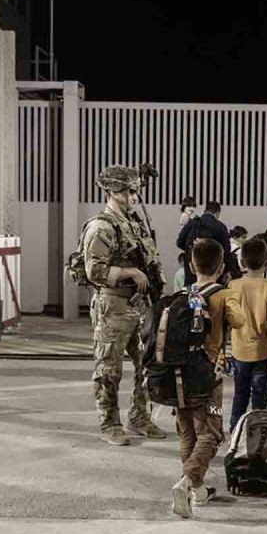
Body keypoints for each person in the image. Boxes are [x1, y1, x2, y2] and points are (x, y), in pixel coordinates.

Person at [81, 165, 167, 446]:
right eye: (128, 191)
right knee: (109, 368)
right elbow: (94, 271)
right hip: (113, 305)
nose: (133, 196)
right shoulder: (101, 227)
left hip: (140, 305)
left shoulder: (134, 223)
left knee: (148, 364)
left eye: (135, 191)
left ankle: (139, 416)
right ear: (111, 192)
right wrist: (130, 272)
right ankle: (109, 422)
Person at [171, 239, 244, 518]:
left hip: (178, 375)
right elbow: (239, 322)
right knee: (210, 435)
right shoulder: (224, 294)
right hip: (207, 376)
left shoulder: (184, 292)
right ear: (222, 267)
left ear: (191, 266)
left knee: (187, 432)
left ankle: (197, 491)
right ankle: (186, 481)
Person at [228, 238, 267, 432]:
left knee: (240, 393)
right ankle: (257, 434)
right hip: (263, 353)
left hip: (239, 352)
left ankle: (235, 431)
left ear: (241, 262)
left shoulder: (232, 286)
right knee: (260, 396)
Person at [176, 201, 240, 286]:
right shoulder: (221, 227)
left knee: (192, 291)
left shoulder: (192, 223)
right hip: (213, 273)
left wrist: (194, 250)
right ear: (217, 213)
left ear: (205, 210)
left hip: (192, 270)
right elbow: (226, 252)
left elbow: (179, 243)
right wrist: (227, 271)